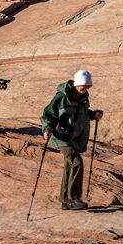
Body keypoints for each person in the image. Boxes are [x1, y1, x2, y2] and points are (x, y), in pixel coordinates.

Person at [40, 70, 103, 211]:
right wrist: (46, 129)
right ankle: (74, 198)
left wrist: (94, 114)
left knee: (70, 165)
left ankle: (65, 199)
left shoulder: (83, 96)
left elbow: (83, 112)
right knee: (76, 162)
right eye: (83, 86)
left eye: (88, 87)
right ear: (77, 84)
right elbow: (48, 114)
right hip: (61, 137)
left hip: (73, 137)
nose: (85, 89)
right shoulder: (62, 96)